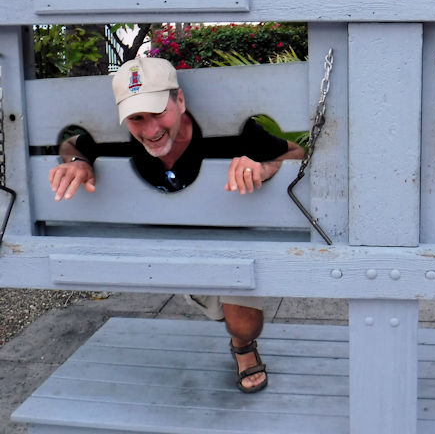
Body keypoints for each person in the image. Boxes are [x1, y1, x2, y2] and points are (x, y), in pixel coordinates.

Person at [48, 56, 305, 394]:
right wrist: (79, 161)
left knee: (244, 325)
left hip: (230, 237)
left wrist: (264, 167)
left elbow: (296, 154)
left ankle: (242, 344)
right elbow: (69, 145)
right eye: (137, 118)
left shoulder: (234, 132)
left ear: (180, 101)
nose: (151, 130)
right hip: (163, 238)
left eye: (158, 112)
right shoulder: (114, 138)